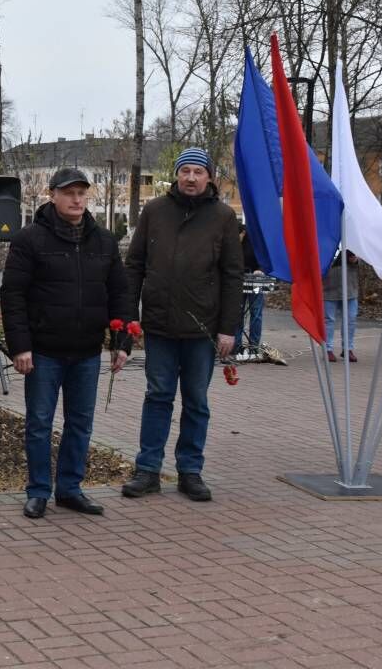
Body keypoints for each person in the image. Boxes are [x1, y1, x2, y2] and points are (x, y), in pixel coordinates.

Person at [1, 167, 133, 519]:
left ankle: (70, 489)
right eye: (69, 193)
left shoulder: (103, 241)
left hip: (87, 351)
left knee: (80, 423)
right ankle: (39, 491)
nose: (76, 199)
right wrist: (20, 346)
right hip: (43, 351)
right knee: (40, 422)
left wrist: (122, 341)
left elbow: (120, 292)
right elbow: (12, 295)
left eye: (81, 193)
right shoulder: (29, 239)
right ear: (53, 195)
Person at [121, 147, 243, 503]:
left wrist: (228, 327)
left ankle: (190, 470)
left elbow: (233, 275)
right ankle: (148, 470)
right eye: (185, 171)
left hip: (202, 329)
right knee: (157, 396)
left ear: (209, 177)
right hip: (159, 325)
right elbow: (135, 266)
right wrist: (130, 317)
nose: (191, 178)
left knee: (196, 401)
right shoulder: (155, 211)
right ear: (176, 174)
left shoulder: (222, 217)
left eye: (198, 172)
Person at [323, 249, 360, 363]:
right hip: (329, 290)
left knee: (351, 319)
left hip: (350, 290)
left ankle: (348, 349)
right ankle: (327, 349)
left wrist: (355, 260)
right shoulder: (324, 242)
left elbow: (360, 260)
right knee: (329, 320)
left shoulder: (351, 239)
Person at [234, 223, 264, 358]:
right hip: (238, 279)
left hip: (256, 278)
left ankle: (254, 347)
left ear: (243, 233)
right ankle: (236, 346)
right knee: (237, 313)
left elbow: (264, 256)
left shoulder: (254, 238)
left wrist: (261, 269)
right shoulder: (232, 243)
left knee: (256, 312)